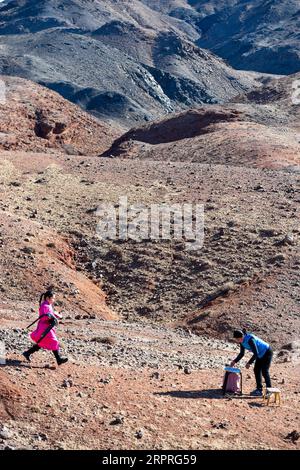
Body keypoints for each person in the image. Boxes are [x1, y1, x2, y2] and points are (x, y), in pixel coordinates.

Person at [23, 290, 68, 366]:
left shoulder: (48, 305)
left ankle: (27, 353)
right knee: (54, 341)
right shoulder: (45, 306)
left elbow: (50, 314)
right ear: (47, 298)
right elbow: (45, 317)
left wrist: (56, 316)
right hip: (45, 328)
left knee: (42, 342)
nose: (53, 300)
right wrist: (52, 318)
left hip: (46, 327)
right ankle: (59, 359)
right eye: (53, 298)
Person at [230, 328, 273, 396]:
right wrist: (234, 361)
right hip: (259, 354)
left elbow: (256, 353)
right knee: (256, 370)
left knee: (264, 371)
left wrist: (249, 363)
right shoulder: (242, 342)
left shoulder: (250, 340)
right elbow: (242, 353)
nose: (238, 341)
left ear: (242, 336)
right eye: (236, 339)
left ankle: (269, 390)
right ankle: (259, 390)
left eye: (238, 339)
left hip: (267, 352)